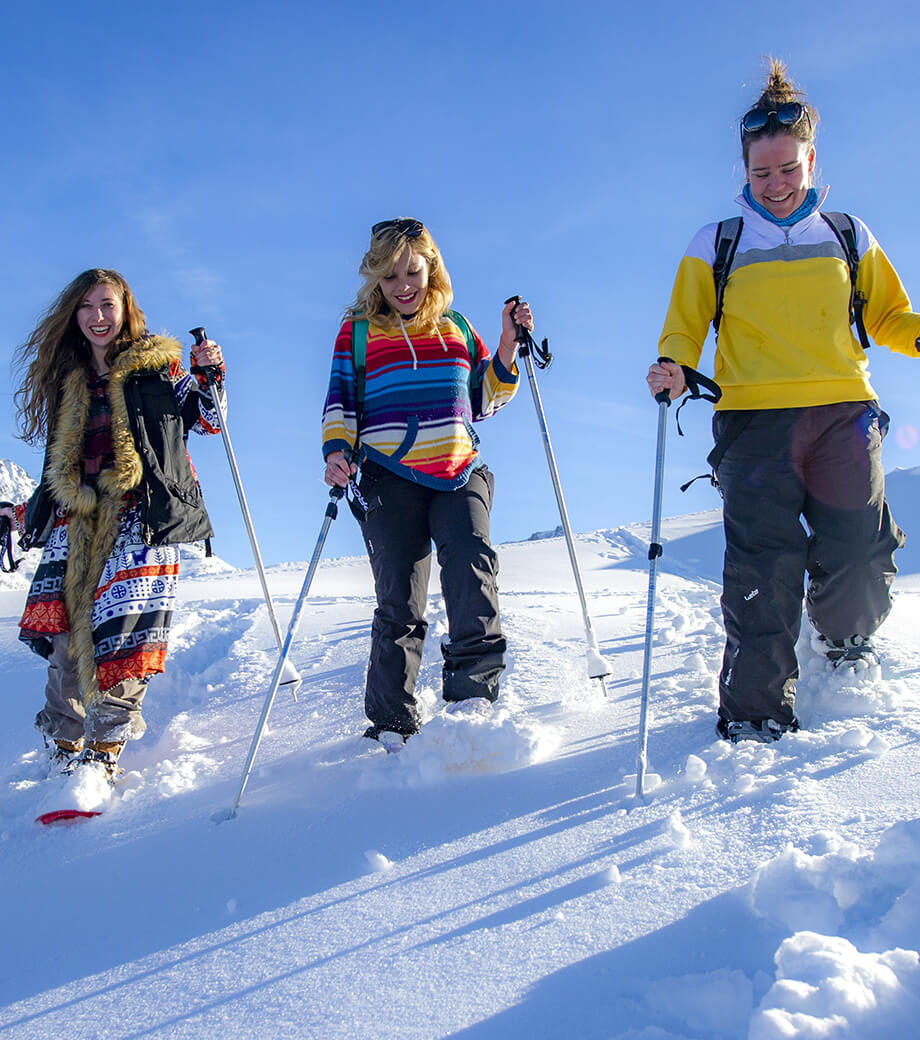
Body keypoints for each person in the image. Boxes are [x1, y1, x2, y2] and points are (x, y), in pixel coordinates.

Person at [648, 60, 918, 744]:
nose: (775, 184)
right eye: (762, 172)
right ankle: (755, 708)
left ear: (811, 160)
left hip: (843, 413)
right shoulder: (719, 242)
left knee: (858, 545)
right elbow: (686, 322)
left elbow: (890, 318)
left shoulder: (849, 236)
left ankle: (843, 644)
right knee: (762, 565)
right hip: (753, 423)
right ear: (744, 167)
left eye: (788, 169)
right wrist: (675, 365)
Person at [1, 268, 224, 780]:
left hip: (142, 513)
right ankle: (64, 737)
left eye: (107, 305)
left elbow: (209, 420)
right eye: (86, 307)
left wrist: (210, 374)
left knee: (125, 632)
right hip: (76, 513)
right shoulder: (67, 376)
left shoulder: (158, 365)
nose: (97, 317)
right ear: (73, 315)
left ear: (126, 309)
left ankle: (105, 747)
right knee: (65, 633)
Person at [322, 217, 530, 747]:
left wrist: (506, 347)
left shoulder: (456, 326)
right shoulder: (359, 331)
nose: (403, 286)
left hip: (459, 469)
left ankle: (473, 700)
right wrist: (336, 453)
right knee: (400, 592)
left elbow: (484, 400)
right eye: (389, 277)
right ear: (375, 279)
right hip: (388, 473)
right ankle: (392, 720)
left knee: (470, 561)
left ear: (430, 268)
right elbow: (341, 399)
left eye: (412, 272)